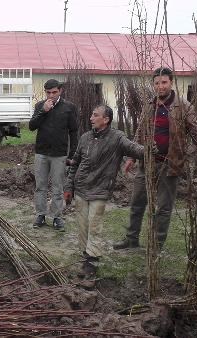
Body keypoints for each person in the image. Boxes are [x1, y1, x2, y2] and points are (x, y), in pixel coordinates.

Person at [113, 67, 197, 250]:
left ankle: (156, 246)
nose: (160, 87)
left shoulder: (183, 106)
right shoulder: (149, 105)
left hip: (169, 164)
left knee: (164, 208)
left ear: (171, 82)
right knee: (137, 203)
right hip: (148, 162)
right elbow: (140, 132)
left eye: (164, 82)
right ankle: (131, 239)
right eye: (157, 83)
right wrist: (132, 158)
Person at [64, 105, 144, 277]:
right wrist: (68, 187)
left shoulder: (117, 138)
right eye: (92, 114)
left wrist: (150, 150)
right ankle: (85, 255)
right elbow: (75, 163)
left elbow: (133, 148)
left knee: (94, 224)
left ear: (106, 119)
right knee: (82, 225)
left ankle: (92, 260)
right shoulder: (85, 137)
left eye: (95, 115)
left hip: (100, 188)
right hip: (81, 188)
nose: (91, 118)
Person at [30, 79, 79, 231]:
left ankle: (57, 217)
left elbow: (74, 131)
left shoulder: (69, 108)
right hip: (41, 152)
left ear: (60, 91)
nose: (51, 95)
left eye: (54, 92)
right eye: (48, 92)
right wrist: (43, 111)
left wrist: (72, 154)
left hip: (59, 154)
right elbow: (31, 126)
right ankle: (41, 214)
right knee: (40, 186)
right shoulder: (40, 106)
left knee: (57, 187)